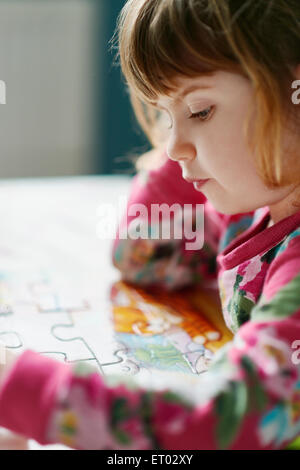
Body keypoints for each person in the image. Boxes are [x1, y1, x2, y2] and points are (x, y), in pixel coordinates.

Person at [1, 0, 300, 450]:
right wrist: (183, 138)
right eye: (163, 114)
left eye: (201, 111)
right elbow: (144, 256)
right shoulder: (250, 206)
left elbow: (221, 423)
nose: (173, 145)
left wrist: (20, 386)